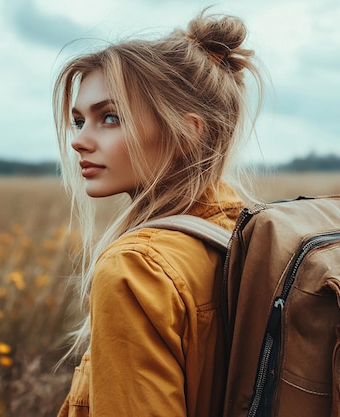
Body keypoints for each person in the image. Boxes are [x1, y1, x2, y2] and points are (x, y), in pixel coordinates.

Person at [52, 8, 263, 417]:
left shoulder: (136, 268)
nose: (79, 140)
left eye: (109, 118)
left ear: (187, 133)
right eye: (79, 121)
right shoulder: (253, 229)